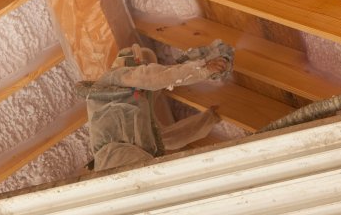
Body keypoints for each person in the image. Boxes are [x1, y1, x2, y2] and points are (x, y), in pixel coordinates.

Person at [76, 41, 234, 171]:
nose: (145, 66)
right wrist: (203, 70)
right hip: (120, 155)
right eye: (142, 64)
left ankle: (214, 115)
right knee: (166, 142)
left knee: (165, 142)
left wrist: (211, 116)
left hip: (118, 155)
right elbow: (157, 77)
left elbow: (159, 78)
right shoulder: (117, 80)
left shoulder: (117, 89)